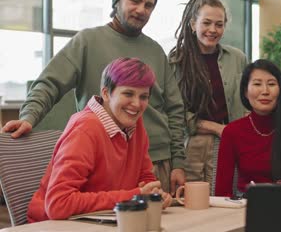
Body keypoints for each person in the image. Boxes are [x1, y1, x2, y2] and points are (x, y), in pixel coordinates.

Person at [1, 0, 186, 194]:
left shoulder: (156, 50)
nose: (141, 10)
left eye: (149, 5)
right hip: (107, 162)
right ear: (116, 2)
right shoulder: (87, 41)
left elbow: (175, 109)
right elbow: (49, 83)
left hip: (157, 163)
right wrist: (28, 117)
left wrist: (178, 163)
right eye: (134, 1)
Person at [27, 58, 172, 222]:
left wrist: (153, 194)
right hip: (53, 225)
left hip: (103, 221)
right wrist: (135, 196)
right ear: (105, 93)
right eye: (128, 94)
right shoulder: (85, 129)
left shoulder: (134, 124)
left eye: (144, 96)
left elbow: (144, 177)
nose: (137, 104)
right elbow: (58, 204)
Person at [168, 0, 247, 191]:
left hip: (230, 146)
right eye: (206, 23)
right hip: (192, 148)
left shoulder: (238, 58)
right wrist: (216, 128)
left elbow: (247, 104)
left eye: (219, 24)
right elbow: (174, 113)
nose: (213, 30)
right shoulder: (177, 60)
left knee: (227, 202)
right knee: (192, 207)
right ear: (193, 24)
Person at [215, 59, 281, 197]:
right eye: (257, 84)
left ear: (280, 90)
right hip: (246, 209)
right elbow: (222, 193)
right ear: (245, 91)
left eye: (271, 84)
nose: (265, 91)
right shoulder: (232, 132)